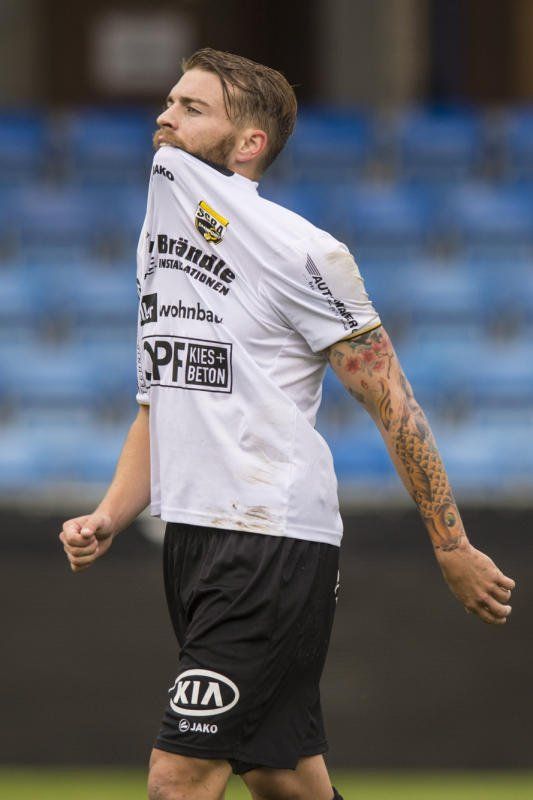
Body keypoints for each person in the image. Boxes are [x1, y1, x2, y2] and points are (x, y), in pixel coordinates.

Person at [60, 48, 515, 800]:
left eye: (192, 108)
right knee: (283, 778)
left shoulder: (304, 250)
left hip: (267, 539)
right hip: (194, 537)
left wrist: (452, 544)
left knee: (177, 778)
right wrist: (111, 513)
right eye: (169, 102)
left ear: (249, 143)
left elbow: (393, 402)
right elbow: (160, 401)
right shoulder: (157, 244)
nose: (165, 119)